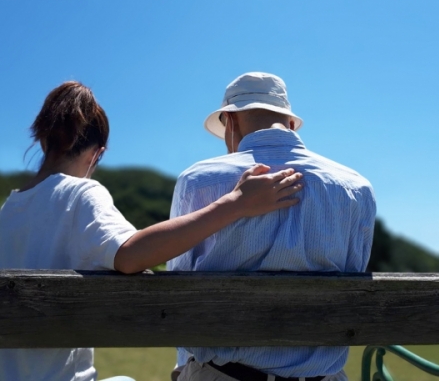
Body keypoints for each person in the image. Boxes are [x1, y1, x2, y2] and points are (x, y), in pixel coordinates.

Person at [0, 81, 303, 381]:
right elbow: (131, 254)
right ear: (96, 154)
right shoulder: (79, 194)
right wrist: (235, 203)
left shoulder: (8, 210)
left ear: (43, 141)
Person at [167, 72, 377, 381]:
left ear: (231, 121)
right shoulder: (356, 188)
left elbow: (177, 291)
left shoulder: (198, 181)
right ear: (291, 124)